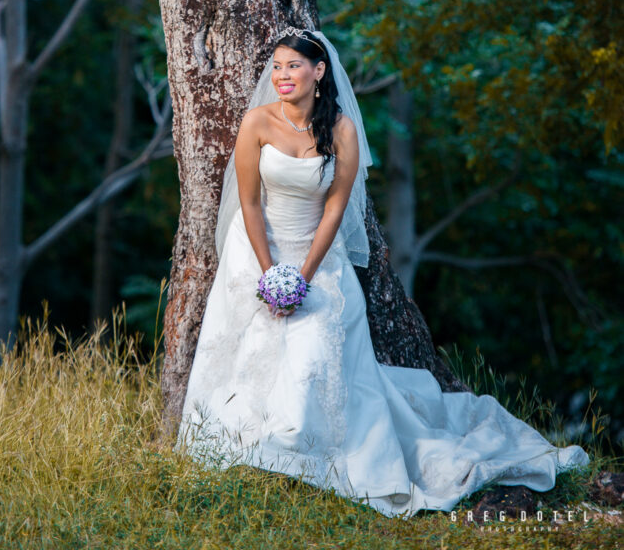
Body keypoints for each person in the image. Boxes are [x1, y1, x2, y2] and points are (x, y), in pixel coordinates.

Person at [177, 27, 589, 517]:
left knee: (311, 360)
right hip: (258, 251)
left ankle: (312, 459)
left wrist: (302, 276)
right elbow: (247, 200)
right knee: (249, 356)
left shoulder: (342, 130)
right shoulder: (257, 123)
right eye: (278, 66)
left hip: (317, 258)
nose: (282, 75)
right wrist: (270, 275)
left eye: (293, 66)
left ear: (319, 71)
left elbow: (334, 210)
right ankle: (244, 455)